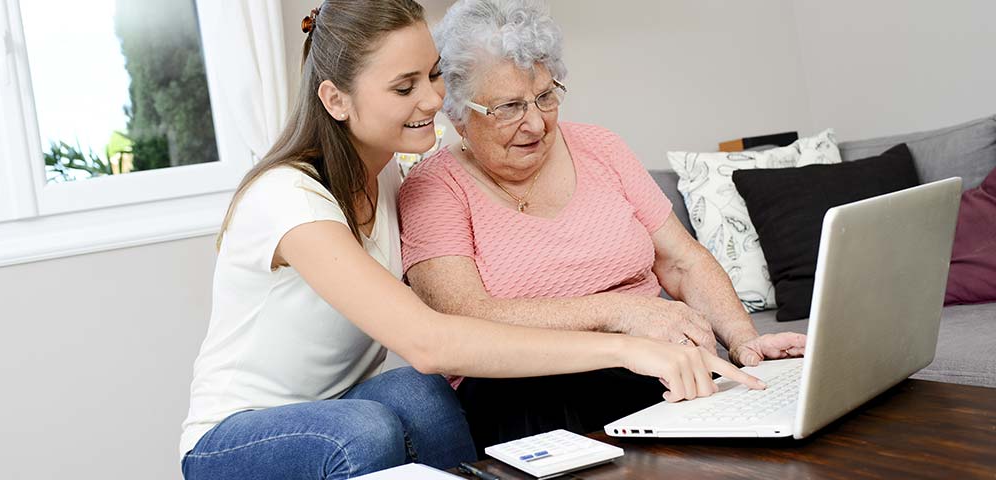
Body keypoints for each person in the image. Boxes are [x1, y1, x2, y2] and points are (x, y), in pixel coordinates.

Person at [180, 1, 764, 478]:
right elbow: (435, 339)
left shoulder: (384, 172)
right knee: (370, 429)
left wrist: (734, 337)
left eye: (433, 75)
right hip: (239, 432)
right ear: (335, 100)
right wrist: (624, 339)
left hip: (339, 400)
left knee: (424, 397)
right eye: (404, 87)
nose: (434, 100)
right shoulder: (289, 197)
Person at [398, 0, 807, 451]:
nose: (535, 122)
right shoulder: (434, 186)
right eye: (510, 107)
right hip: (525, 382)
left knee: (767, 424)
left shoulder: (601, 148)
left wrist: (746, 342)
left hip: (649, 360)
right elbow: (465, 314)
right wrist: (621, 313)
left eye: (545, 96)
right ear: (457, 113)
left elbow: (683, 261)